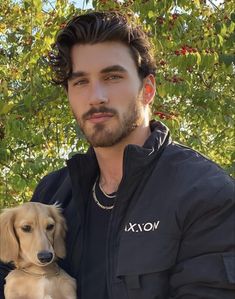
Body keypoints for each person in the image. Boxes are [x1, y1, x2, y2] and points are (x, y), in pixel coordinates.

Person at [0, 11, 234, 299]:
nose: (96, 96)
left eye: (112, 76)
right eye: (80, 82)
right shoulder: (52, 193)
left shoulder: (205, 193)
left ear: (147, 90)